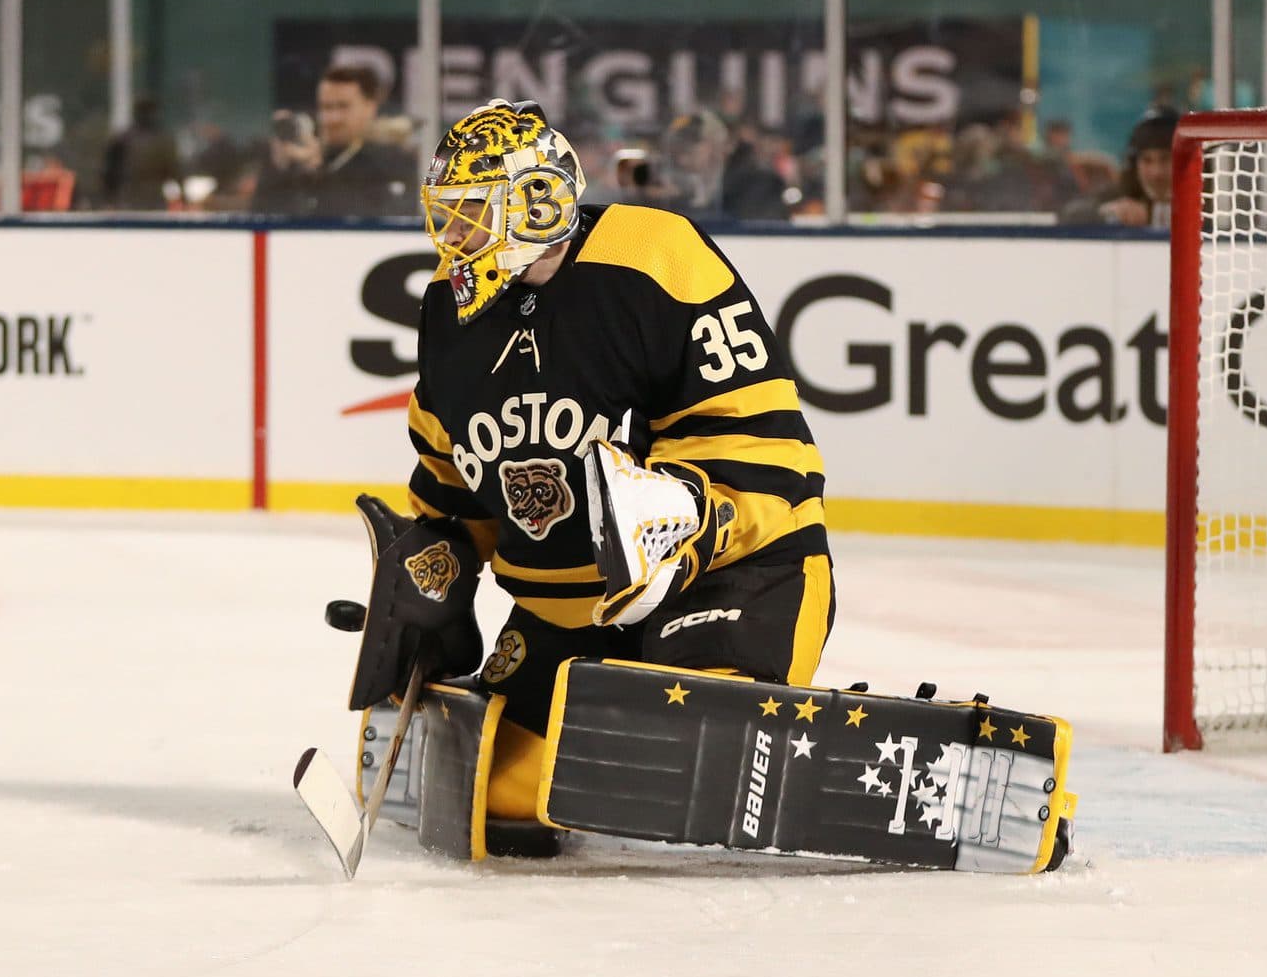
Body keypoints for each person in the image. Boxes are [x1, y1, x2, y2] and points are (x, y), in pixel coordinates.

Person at [384, 98, 835, 830]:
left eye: (471, 211)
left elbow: (765, 444)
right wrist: (435, 564)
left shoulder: (654, 254)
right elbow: (447, 458)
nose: (453, 232)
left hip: (732, 579)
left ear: (536, 203)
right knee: (496, 801)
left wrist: (686, 517)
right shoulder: (447, 301)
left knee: (678, 758)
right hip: (563, 617)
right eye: (447, 211)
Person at [252, 64, 412, 218]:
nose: (333, 118)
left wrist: (319, 176)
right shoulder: (304, 156)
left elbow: (371, 220)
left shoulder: (393, 161)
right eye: (326, 107)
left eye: (343, 107)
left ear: (370, 108)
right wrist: (280, 166)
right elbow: (261, 221)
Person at [1059, 107, 1178, 227]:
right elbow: (1069, 214)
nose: (1156, 172)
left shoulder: (1197, 203)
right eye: (1147, 160)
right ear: (1134, 165)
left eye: (1166, 159)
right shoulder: (1121, 193)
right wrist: (1105, 212)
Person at [101, 94, 180, 210]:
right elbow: (174, 170)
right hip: (146, 200)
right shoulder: (163, 140)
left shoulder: (122, 139)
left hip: (131, 200)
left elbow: (108, 174)